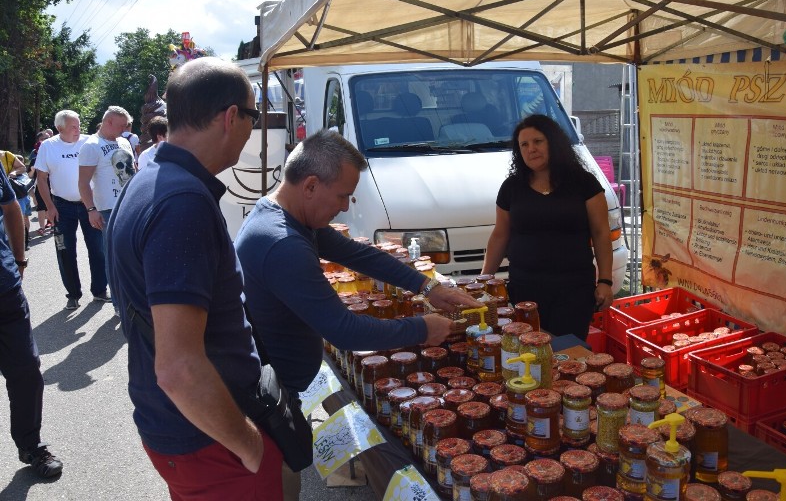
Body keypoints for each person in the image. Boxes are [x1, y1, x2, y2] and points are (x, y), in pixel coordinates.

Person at [234, 129, 479, 490]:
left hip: (282, 382)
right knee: (279, 486)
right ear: (311, 186)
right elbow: (344, 330)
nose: (346, 207)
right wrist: (423, 328)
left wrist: (428, 286)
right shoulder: (282, 242)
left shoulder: (293, 218)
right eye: (343, 195)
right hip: (270, 395)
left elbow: (358, 254)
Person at [106, 57, 284, 500]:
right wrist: (250, 446)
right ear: (230, 117)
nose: (251, 129)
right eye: (253, 117)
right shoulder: (182, 202)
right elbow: (178, 368)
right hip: (210, 439)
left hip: (185, 427)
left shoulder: (150, 180)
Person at [481, 114, 614, 339]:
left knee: (568, 353)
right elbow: (500, 235)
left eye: (538, 141)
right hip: (524, 288)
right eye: (524, 144)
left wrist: (605, 281)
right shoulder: (511, 187)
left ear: (553, 142)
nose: (531, 149)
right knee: (528, 350)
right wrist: (484, 281)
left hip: (574, 288)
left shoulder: (584, 183)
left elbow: (601, 233)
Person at [0, 165, 63, 478]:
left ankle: (30, 445)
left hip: (5, 291)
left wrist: (19, 259)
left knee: (26, 371)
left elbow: (11, 207)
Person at [34, 111, 109, 311]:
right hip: (61, 206)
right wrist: (49, 207)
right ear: (60, 129)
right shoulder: (48, 146)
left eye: (79, 125)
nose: (78, 130)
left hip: (90, 205)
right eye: (73, 127)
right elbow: (41, 179)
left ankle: (100, 291)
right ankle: (73, 294)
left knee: (98, 248)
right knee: (65, 251)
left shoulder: (89, 142)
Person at [78, 106, 136, 286]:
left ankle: (134, 300)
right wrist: (91, 209)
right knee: (114, 257)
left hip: (131, 205)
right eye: (122, 126)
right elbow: (83, 182)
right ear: (108, 122)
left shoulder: (124, 142)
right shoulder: (91, 146)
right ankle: (119, 304)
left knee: (133, 255)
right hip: (109, 210)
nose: (124, 130)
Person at [0, 151, 31, 248]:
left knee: (19, 217)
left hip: (12, 193)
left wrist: (14, 172)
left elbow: (22, 167)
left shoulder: (5, 155)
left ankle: (22, 243)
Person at [29, 132, 50, 235]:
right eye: (45, 138)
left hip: (53, 186)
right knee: (41, 206)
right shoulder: (34, 158)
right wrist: (33, 170)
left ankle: (53, 225)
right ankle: (42, 227)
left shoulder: (52, 156)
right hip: (40, 185)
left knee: (52, 205)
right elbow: (29, 175)